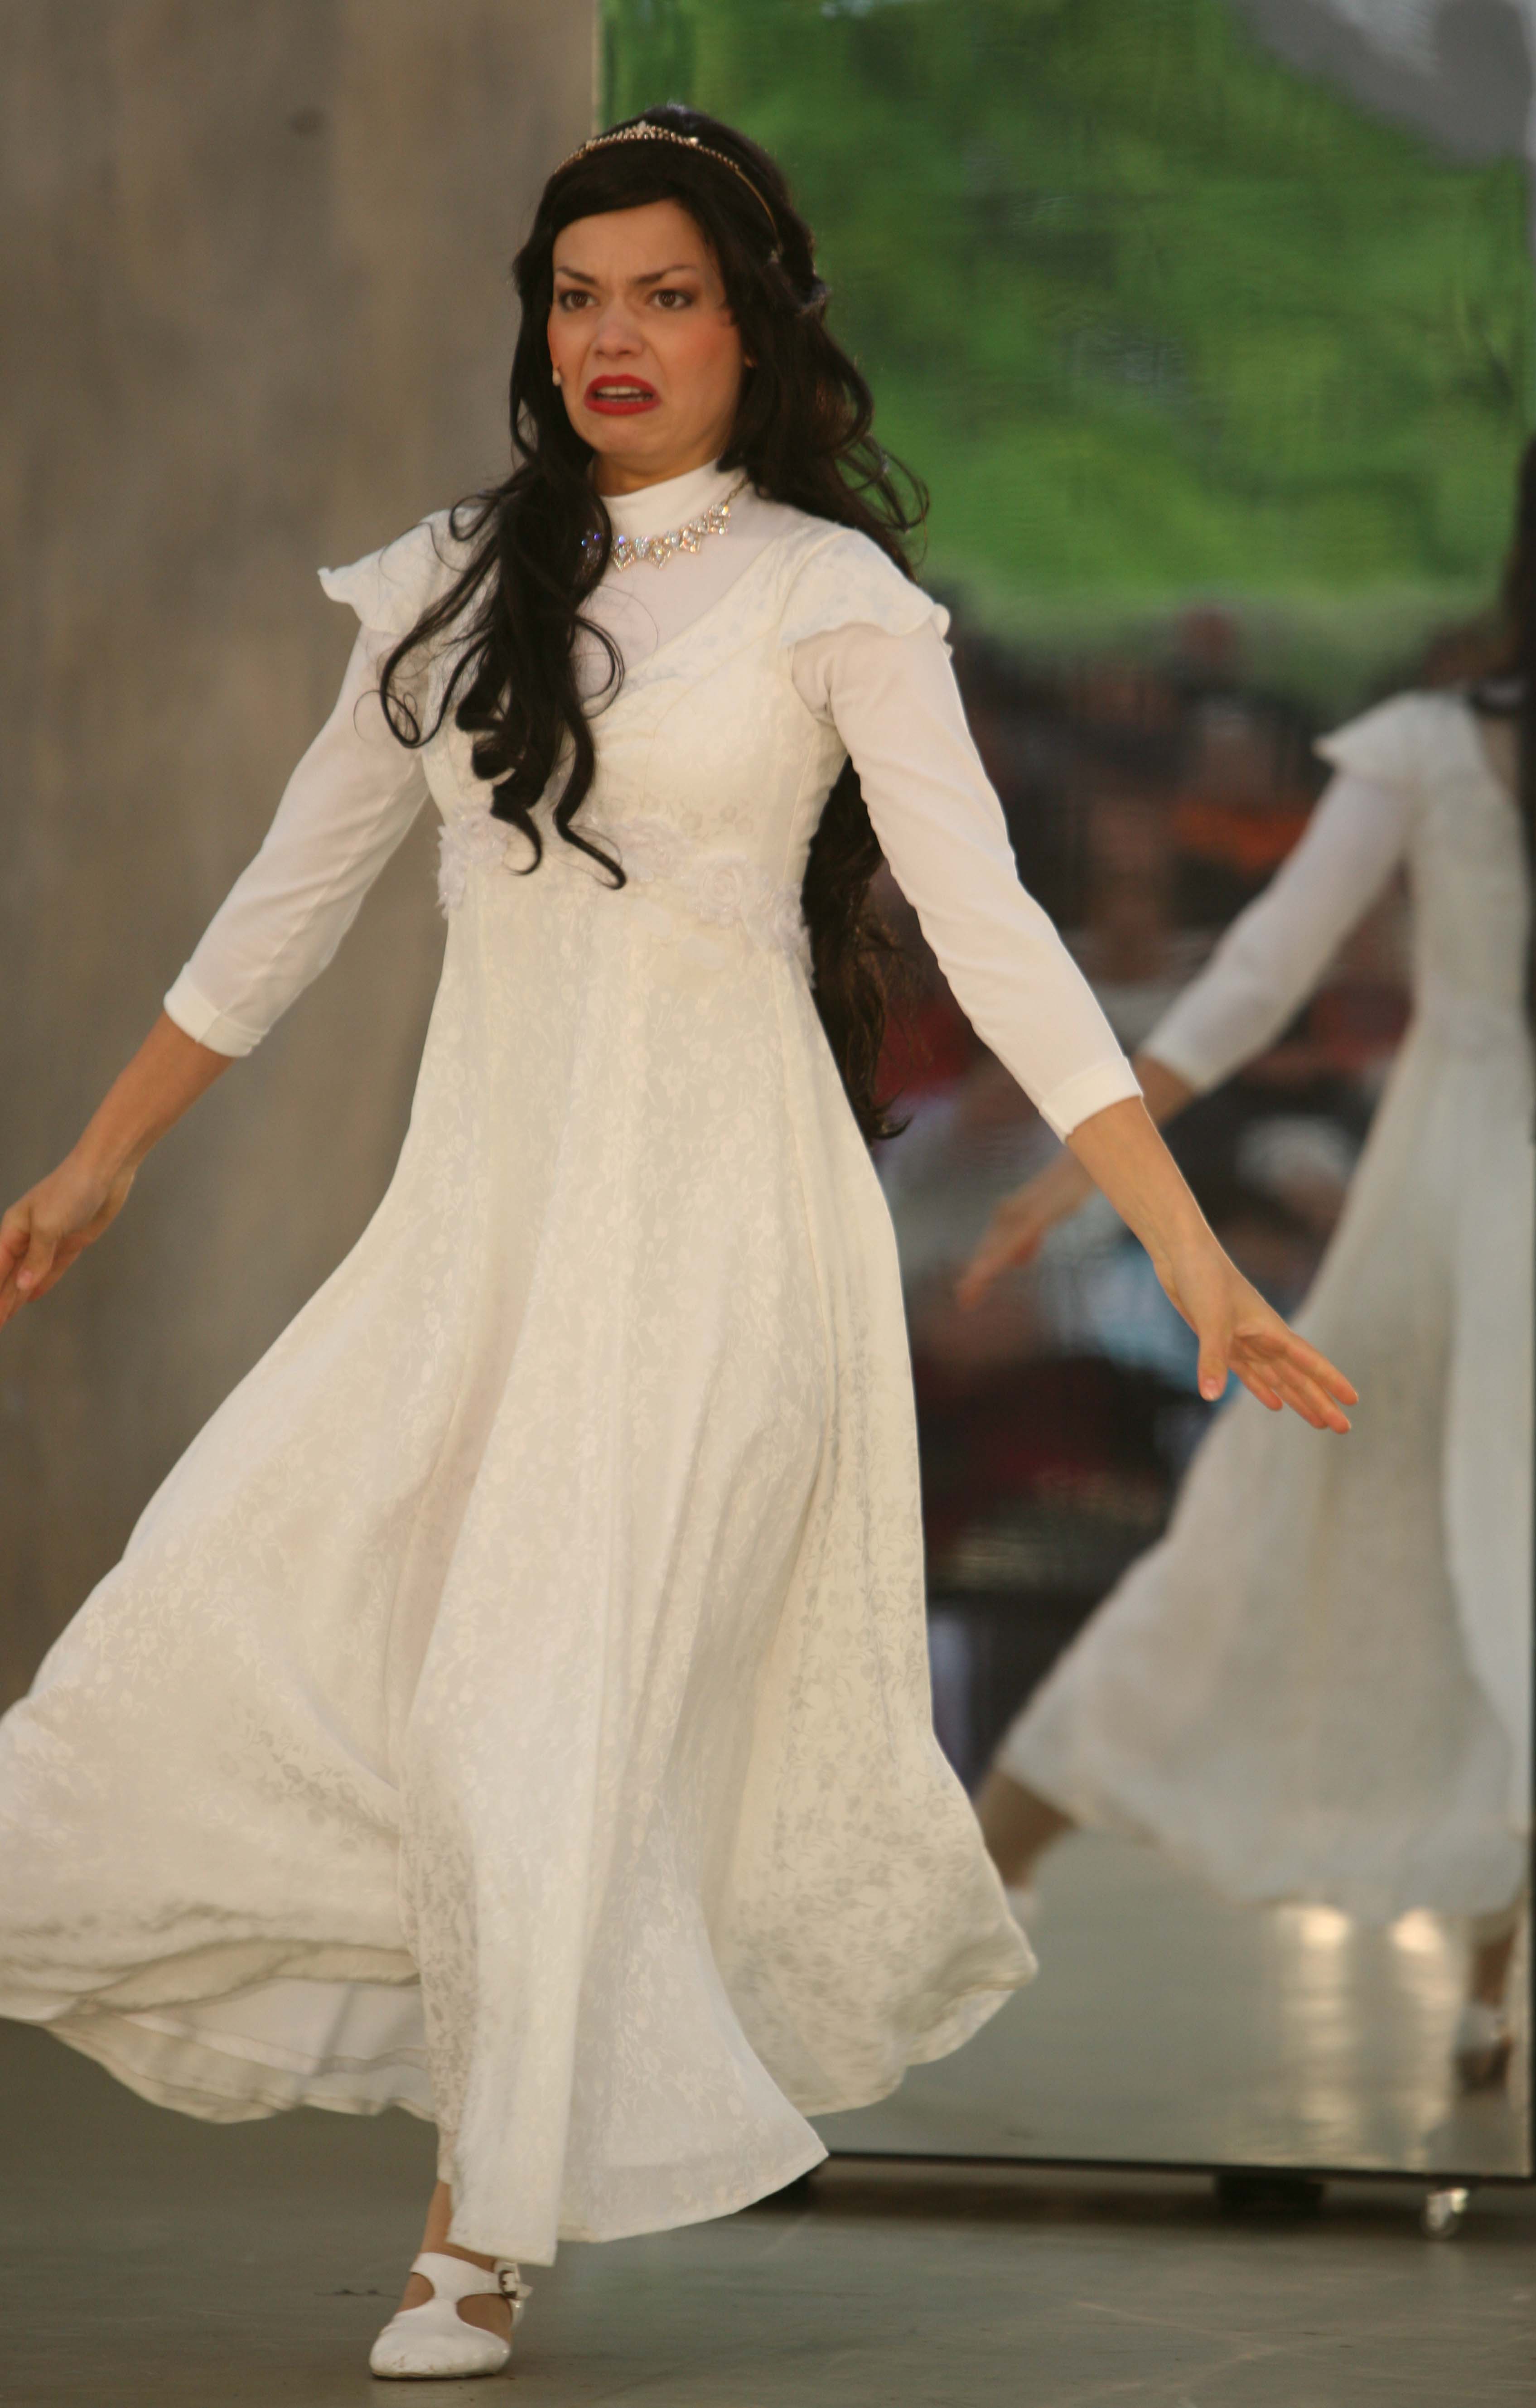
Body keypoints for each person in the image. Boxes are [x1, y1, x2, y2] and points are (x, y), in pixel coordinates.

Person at [0, 109, 1352, 2380]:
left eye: (666, 295)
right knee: (254, 1604)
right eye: (576, 296)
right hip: (479, 1231)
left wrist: (1195, 1257)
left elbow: (1002, 941)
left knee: (539, 1700)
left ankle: (475, 2232)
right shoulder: (447, 583)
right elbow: (284, 900)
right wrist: (99, 1157)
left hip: (726, 1246)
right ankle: (472, 2144)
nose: (612, 337)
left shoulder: (833, 602)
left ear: (752, 328)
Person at [962, 437, 1536, 2095]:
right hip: (1453, 1198)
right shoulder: (1432, 749)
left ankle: (1506, 1986)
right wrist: (1092, 1158)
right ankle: (968, 1885)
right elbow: (1266, 963)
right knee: (1295, 1534)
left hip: (1532, 1182)